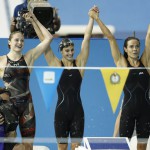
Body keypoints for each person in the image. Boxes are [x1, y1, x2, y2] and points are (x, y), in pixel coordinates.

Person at [35, 5, 98, 150]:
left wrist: (91, 18)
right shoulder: (56, 65)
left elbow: (86, 38)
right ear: (61, 52)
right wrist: (34, 21)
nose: (70, 52)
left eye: (71, 49)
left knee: (76, 147)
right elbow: (44, 41)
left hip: (77, 113)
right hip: (61, 114)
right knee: (62, 148)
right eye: (67, 50)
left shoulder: (80, 64)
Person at [89, 8, 150, 150]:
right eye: (132, 47)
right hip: (128, 111)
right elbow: (110, 37)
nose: (135, 49)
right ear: (125, 49)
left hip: (145, 111)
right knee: (124, 146)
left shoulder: (146, 63)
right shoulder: (121, 63)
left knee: (142, 147)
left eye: (137, 46)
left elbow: (149, 35)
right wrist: (97, 19)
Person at [0, 11, 53, 150]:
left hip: (27, 106)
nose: (20, 43)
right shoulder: (1, 62)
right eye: (16, 40)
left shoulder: (29, 57)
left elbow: (48, 38)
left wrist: (34, 20)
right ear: (9, 42)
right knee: (9, 146)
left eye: (22, 40)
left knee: (28, 146)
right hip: (9, 107)